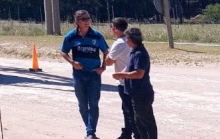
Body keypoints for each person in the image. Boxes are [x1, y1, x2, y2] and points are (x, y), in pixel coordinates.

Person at [60, 10, 109, 139]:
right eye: (83, 19)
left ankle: (90, 132)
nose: (87, 21)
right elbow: (63, 52)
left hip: (94, 74)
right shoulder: (71, 36)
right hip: (79, 74)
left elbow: (106, 51)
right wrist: (72, 62)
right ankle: (89, 129)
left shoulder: (97, 35)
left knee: (93, 103)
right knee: (82, 104)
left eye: (88, 18)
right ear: (77, 22)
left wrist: (103, 67)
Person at [113, 28, 158, 139]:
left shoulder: (139, 53)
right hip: (136, 93)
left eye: (127, 39)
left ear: (132, 39)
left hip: (142, 93)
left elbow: (139, 74)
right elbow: (130, 67)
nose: (126, 41)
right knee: (139, 121)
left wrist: (122, 75)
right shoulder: (134, 51)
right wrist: (121, 73)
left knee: (146, 121)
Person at [106, 17, 139, 139]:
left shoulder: (119, 43)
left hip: (124, 81)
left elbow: (109, 62)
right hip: (135, 80)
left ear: (115, 28)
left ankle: (135, 135)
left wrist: (108, 55)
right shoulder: (131, 40)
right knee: (130, 109)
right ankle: (127, 133)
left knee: (129, 111)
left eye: (111, 27)